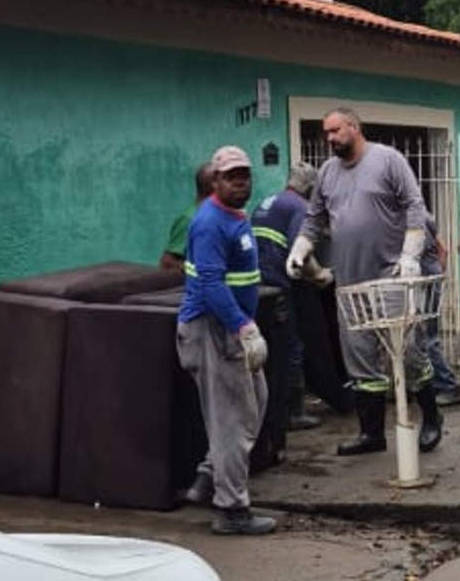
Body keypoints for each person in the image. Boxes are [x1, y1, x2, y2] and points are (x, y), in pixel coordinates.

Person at [286, 106, 444, 456]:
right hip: (350, 283)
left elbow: (415, 206)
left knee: (409, 353)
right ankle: (371, 434)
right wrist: (301, 249)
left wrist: (410, 254)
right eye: (326, 132)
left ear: (354, 128)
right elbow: (314, 220)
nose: (329, 138)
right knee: (360, 360)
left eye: (335, 131)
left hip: (391, 275)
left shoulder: (389, 160)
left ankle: (431, 418)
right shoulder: (327, 173)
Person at [175, 145, 276, 536]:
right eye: (231, 176)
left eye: (244, 175)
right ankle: (231, 509)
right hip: (214, 330)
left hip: (229, 327)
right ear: (214, 181)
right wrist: (243, 327)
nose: (240, 182)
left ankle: (209, 474)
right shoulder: (210, 223)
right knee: (234, 419)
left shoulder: (234, 217)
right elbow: (212, 284)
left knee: (258, 401)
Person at [252, 161, 331, 441]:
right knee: (292, 345)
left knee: (268, 347)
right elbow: (302, 254)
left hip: (256, 286)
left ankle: (269, 409)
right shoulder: (300, 208)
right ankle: (293, 412)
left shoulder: (266, 202)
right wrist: (321, 276)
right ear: (310, 189)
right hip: (279, 284)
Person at [420, 212, 460, 406]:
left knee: (427, 339)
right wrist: (440, 275)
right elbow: (443, 249)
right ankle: (436, 382)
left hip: (424, 282)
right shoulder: (425, 215)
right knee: (425, 337)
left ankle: (448, 384)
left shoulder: (410, 218)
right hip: (431, 279)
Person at [160, 161, 214, 270]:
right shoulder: (190, 219)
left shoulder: (221, 217)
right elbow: (167, 262)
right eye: (227, 179)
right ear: (216, 185)